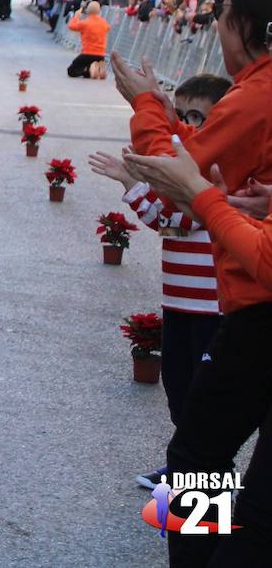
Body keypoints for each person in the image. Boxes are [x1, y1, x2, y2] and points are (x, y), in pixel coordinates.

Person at [114, 0, 272, 567]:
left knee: (196, 464)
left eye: (225, 19)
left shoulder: (257, 94)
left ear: (243, 24)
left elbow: (177, 170)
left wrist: (148, 106)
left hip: (259, 313)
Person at [88, 73, 231, 490]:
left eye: (197, 118)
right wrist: (133, 180)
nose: (186, 126)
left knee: (203, 404)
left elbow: (175, 219)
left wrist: (134, 184)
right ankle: (188, 471)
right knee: (180, 392)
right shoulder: (183, 170)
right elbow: (168, 223)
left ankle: (200, 487)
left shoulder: (213, 171)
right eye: (181, 115)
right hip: (180, 303)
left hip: (213, 309)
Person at [66, 1, 110, 79]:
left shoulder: (85, 23)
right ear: (99, 11)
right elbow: (108, 28)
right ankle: (96, 69)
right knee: (87, 73)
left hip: (87, 53)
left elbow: (71, 26)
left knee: (71, 71)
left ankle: (89, 69)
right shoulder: (104, 23)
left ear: (88, 10)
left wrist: (76, 16)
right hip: (100, 54)